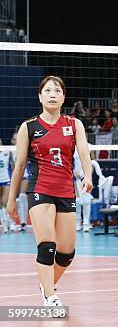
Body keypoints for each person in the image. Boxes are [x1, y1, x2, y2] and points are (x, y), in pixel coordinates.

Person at [6, 76, 94, 310]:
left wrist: (87, 175)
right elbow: (20, 165)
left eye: (57, 90)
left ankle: (47, 286)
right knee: (47, 246)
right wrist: (11, 199)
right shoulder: (29, 127)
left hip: (66, 190)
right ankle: (51, 297)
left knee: (66, 253)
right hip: (39, 189)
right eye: (48, 90)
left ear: (63, 97)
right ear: (40, 96)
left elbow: (85, 153)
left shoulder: (74, 124)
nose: (53, 94)